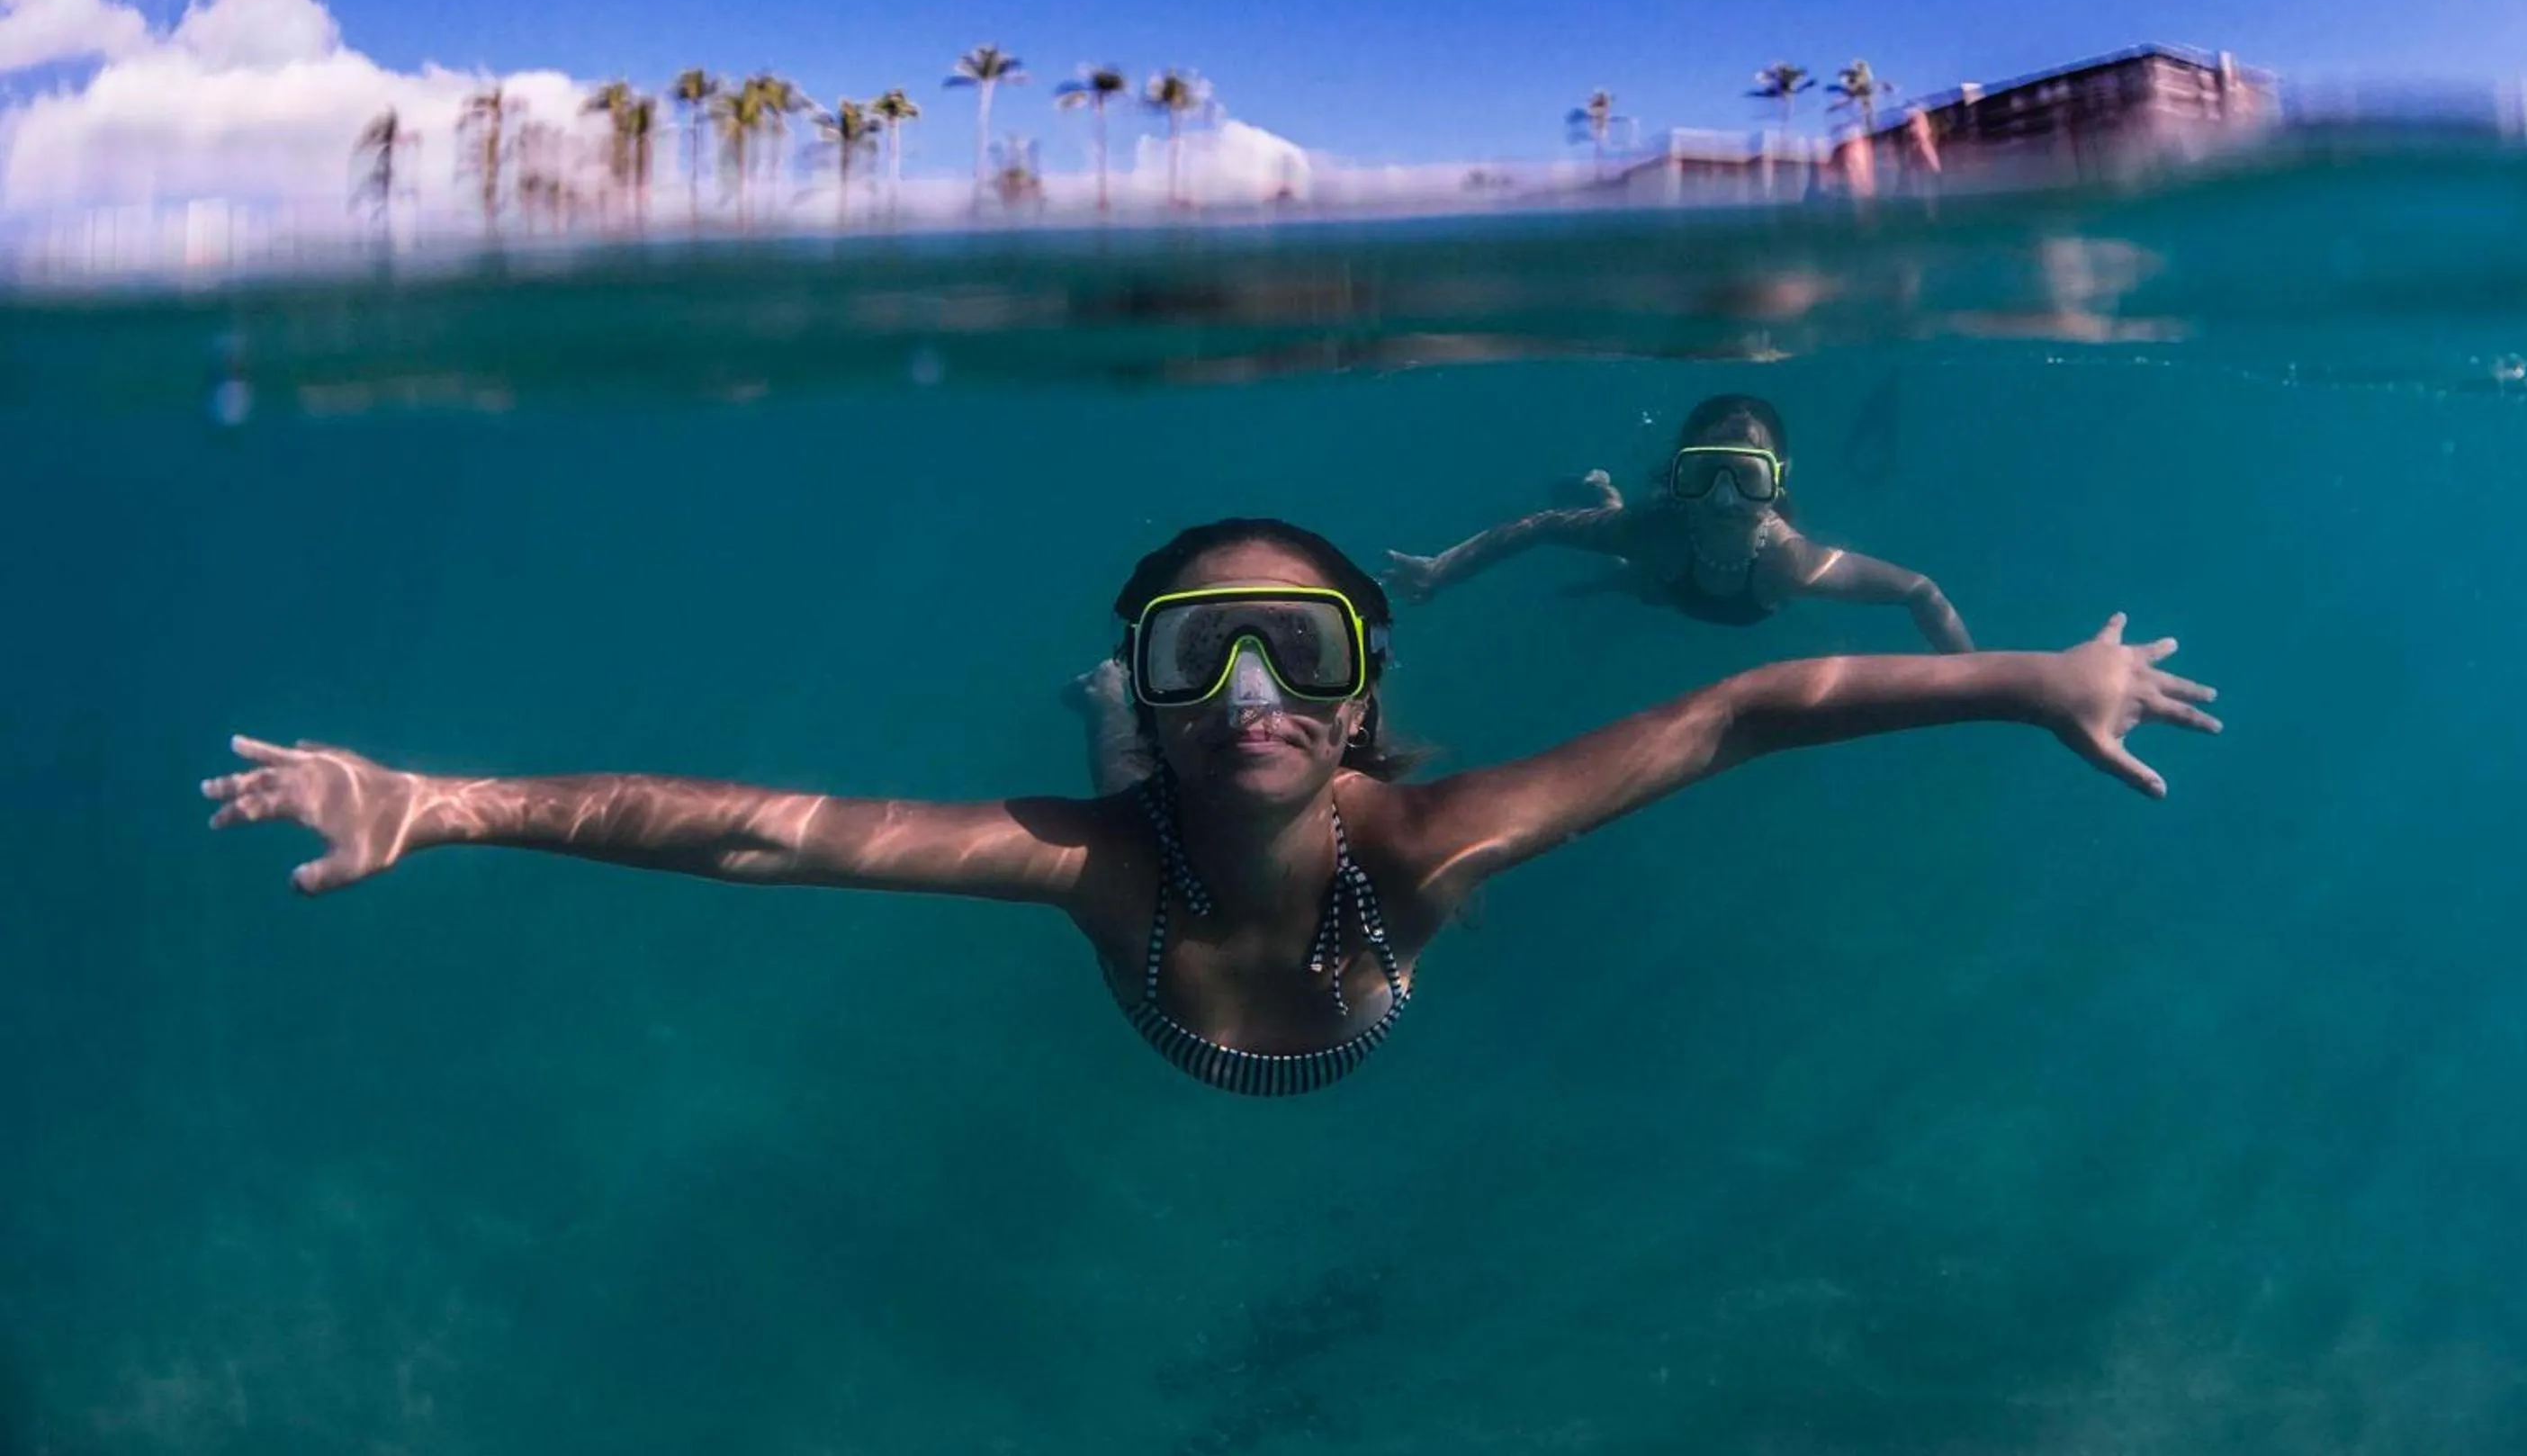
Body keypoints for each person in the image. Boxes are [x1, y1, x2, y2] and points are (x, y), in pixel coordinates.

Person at [202, 517, 2217, 1098]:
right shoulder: (1094, 860)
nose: (1251, 693)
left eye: (1301, 656)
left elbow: (1749, 708)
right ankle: (1094, 706)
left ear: (1358, 712)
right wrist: (440, 800)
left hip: (1362, 941)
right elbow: (754, 830)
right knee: (1107, 816)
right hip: (1150, 893)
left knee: (1455, 866)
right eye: (1196, 658)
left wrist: (2039, 675)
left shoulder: (1428, 835)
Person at [1385, 394, 1974, 651]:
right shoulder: (1653, 530)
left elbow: (1922, 592)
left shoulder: (1789, 563)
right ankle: (1602, 492)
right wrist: (1442, 570)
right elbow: (1539, 526)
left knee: (1630, 560)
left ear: (1777, 485)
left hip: (1699, 582)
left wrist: (1977, 679)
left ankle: (1601, 493)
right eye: (1702, 476)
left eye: (1746, 478)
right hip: (1661, 577)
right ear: (1677, 478)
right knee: (1632, 566)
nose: (1722, 501)